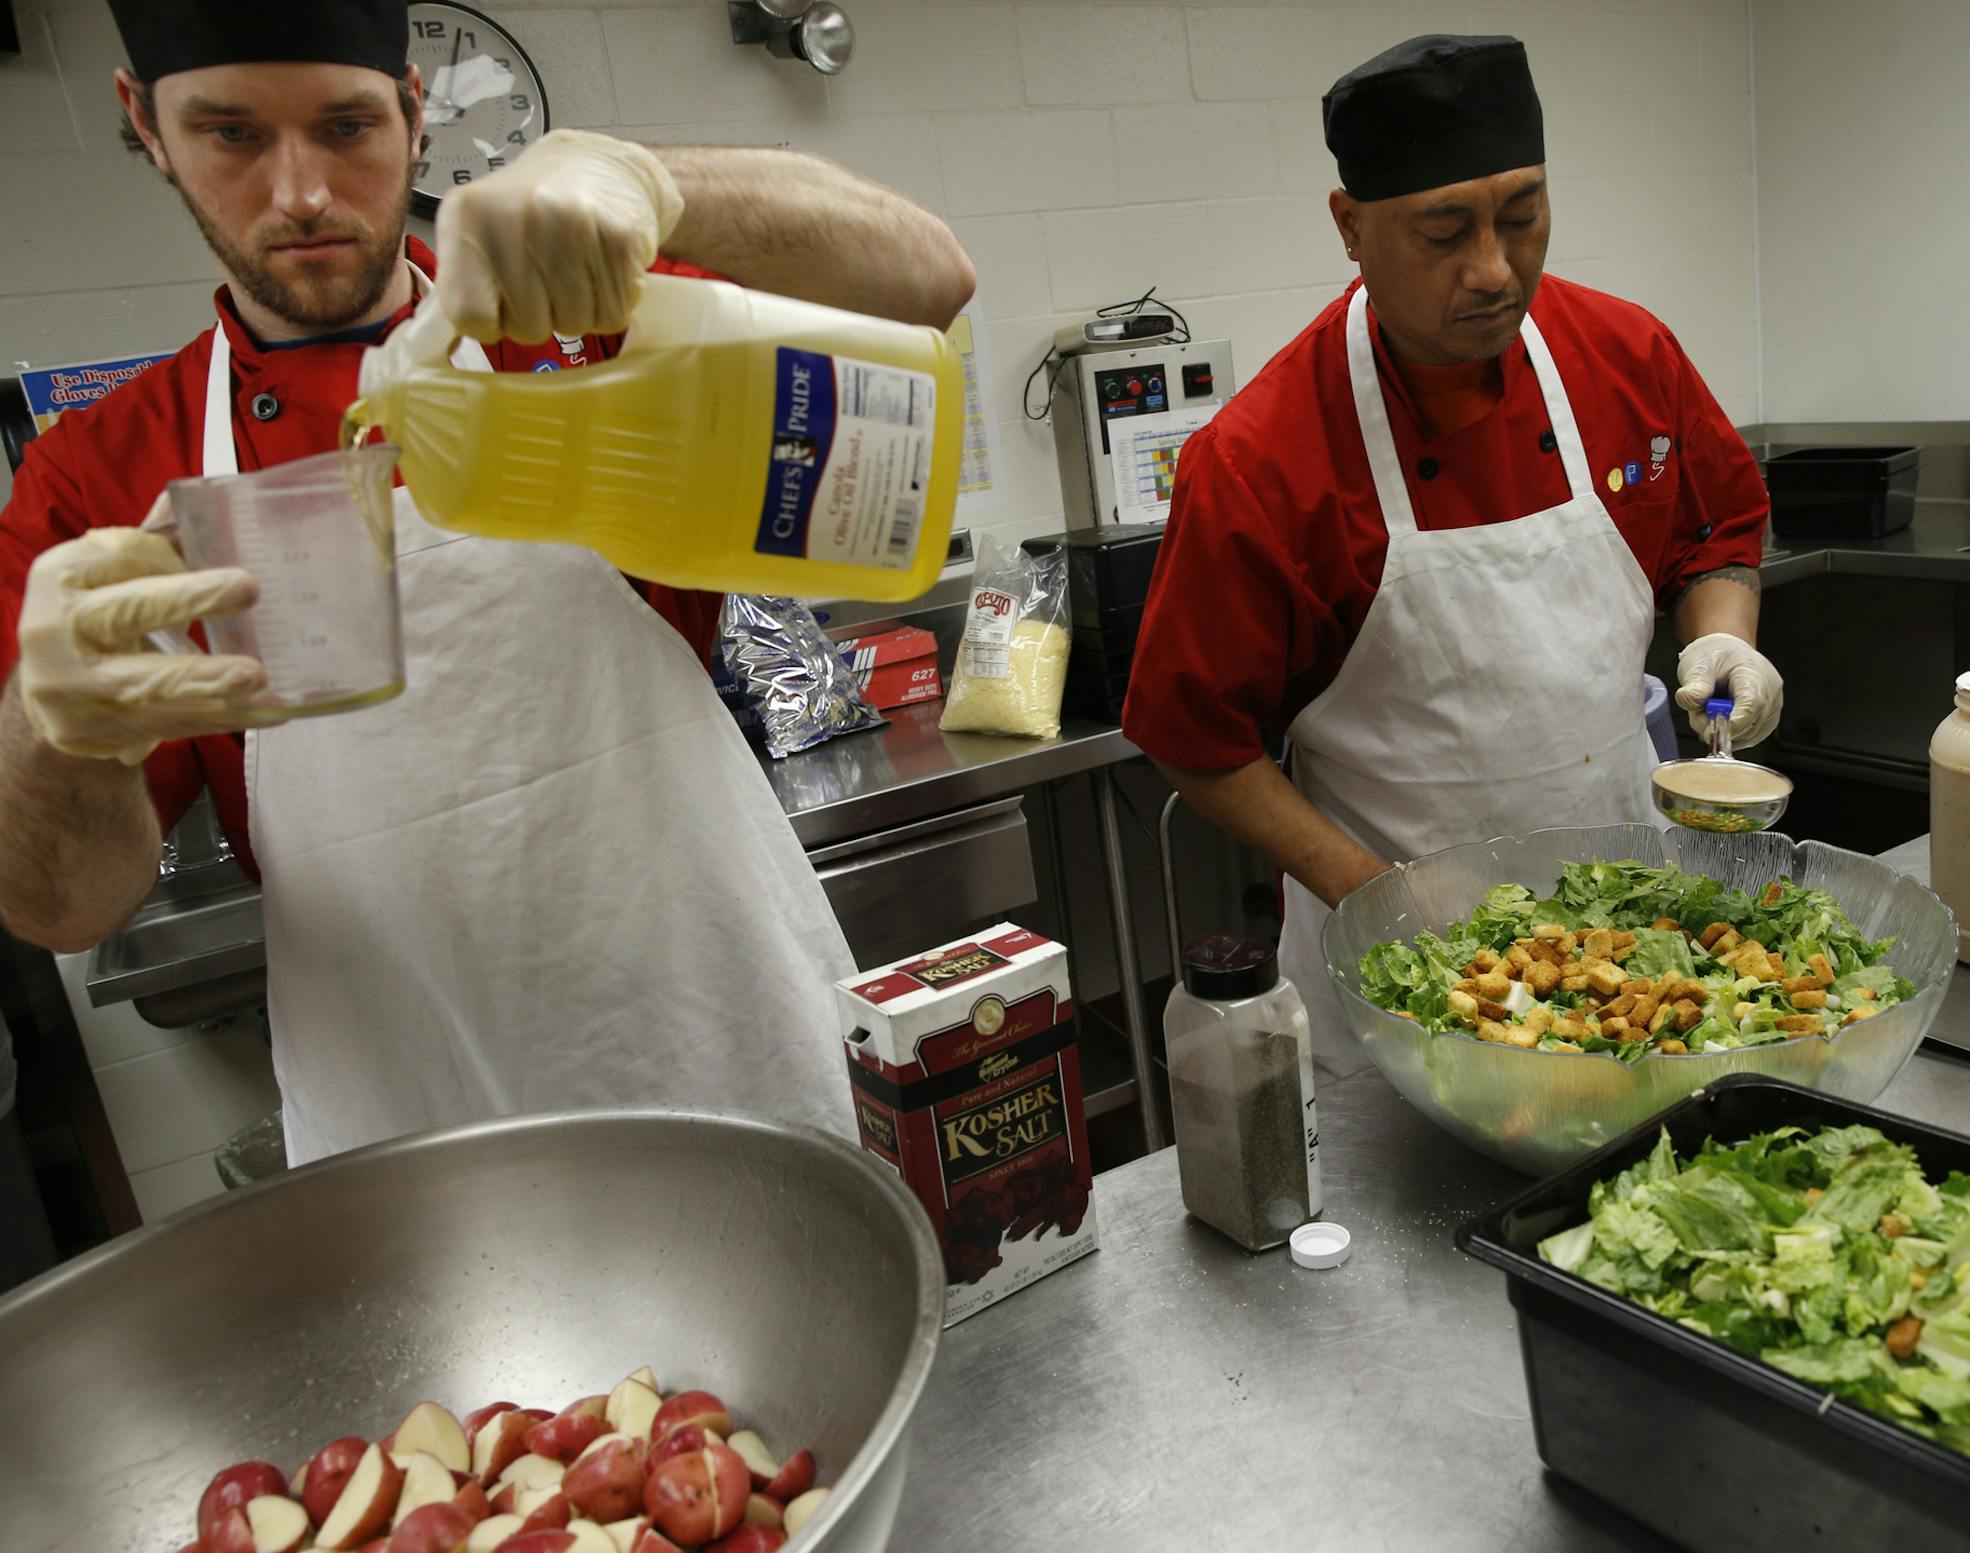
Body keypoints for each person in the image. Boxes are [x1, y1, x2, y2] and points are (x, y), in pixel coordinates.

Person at [0, 0, 976, 1165]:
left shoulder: (579, 316)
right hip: (417, 1136)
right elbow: (62, 907)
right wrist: (51, 729)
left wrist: (645, 179)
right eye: (232, 137)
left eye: (346, 126)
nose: (302, 191)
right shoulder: (102, 477)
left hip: (723, 1047)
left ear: (416, 114)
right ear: (144, 126)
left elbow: (930, 278)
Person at [1122, 35, 1784, 1074]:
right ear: (1351, 226)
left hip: (1641, 956)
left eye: (1522, 217)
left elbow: (1717, 531)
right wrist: (1380, 893)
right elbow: (1192, 737)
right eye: (1444, 231)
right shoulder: (1262, 460)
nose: (1493, 268)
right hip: (1406, 983)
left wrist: (1723, 642)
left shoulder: (1626, 357)